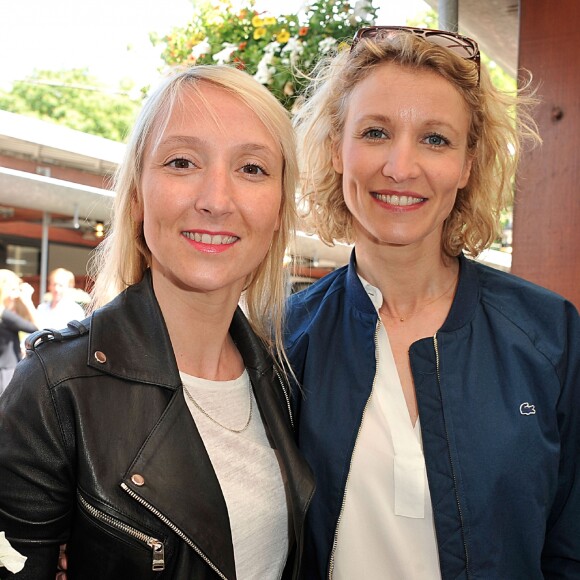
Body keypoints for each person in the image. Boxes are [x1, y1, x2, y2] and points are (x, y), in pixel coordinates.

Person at [285, 26, 580, 579]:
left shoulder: (551, 336)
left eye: (435, 139)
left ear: (468, 165)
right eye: (375, 132)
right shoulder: (279, 341)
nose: (401, 166)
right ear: (336, 150)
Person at [0, 64, 314, 580]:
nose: (215, 200)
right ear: (137, 194)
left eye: (252, 169)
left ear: (279, 207)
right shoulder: (55, 389)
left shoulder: (284, 376)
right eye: (182, 161)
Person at [0, 270, 38, 396]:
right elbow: (37, 327)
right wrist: (27, 300)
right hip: (7, 370)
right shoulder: (4, 315)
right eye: (13, 289)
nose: (16, 294)